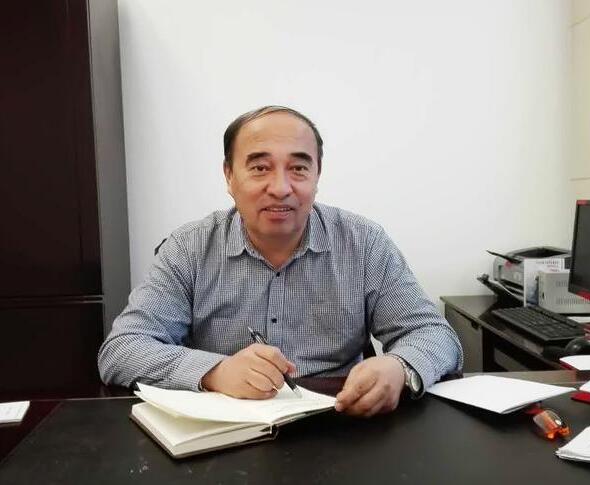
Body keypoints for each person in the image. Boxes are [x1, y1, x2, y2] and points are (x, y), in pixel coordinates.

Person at [98, 106, 462, 417]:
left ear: (317, 175)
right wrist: (214, 371)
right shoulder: (190, 248)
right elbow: (122, 349)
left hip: (338, 423)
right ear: (229, 176)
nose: (281, 188)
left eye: (299, 168)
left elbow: (434, 335)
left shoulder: (363, 243)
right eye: (260, 168)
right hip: (226, 428)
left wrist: (399, 367)